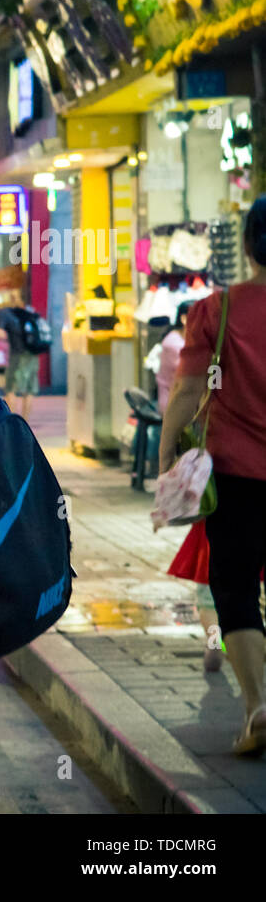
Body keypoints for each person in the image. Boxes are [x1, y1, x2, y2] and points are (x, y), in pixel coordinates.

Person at [159, 196, 266, 757]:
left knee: (236, 588)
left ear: (247, 245)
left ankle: (257, 707)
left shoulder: (215, 311)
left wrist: (164, 453)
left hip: (238, 476)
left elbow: (188, 389)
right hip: (239, 470)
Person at [0, 288, 39, 419]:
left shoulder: (4, 313)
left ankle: (13, 421)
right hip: (33, 353)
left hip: (17, 354)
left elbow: (1, 334)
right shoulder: (30, 311)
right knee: (29, 389)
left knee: (10, 388)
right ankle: (25, 421)